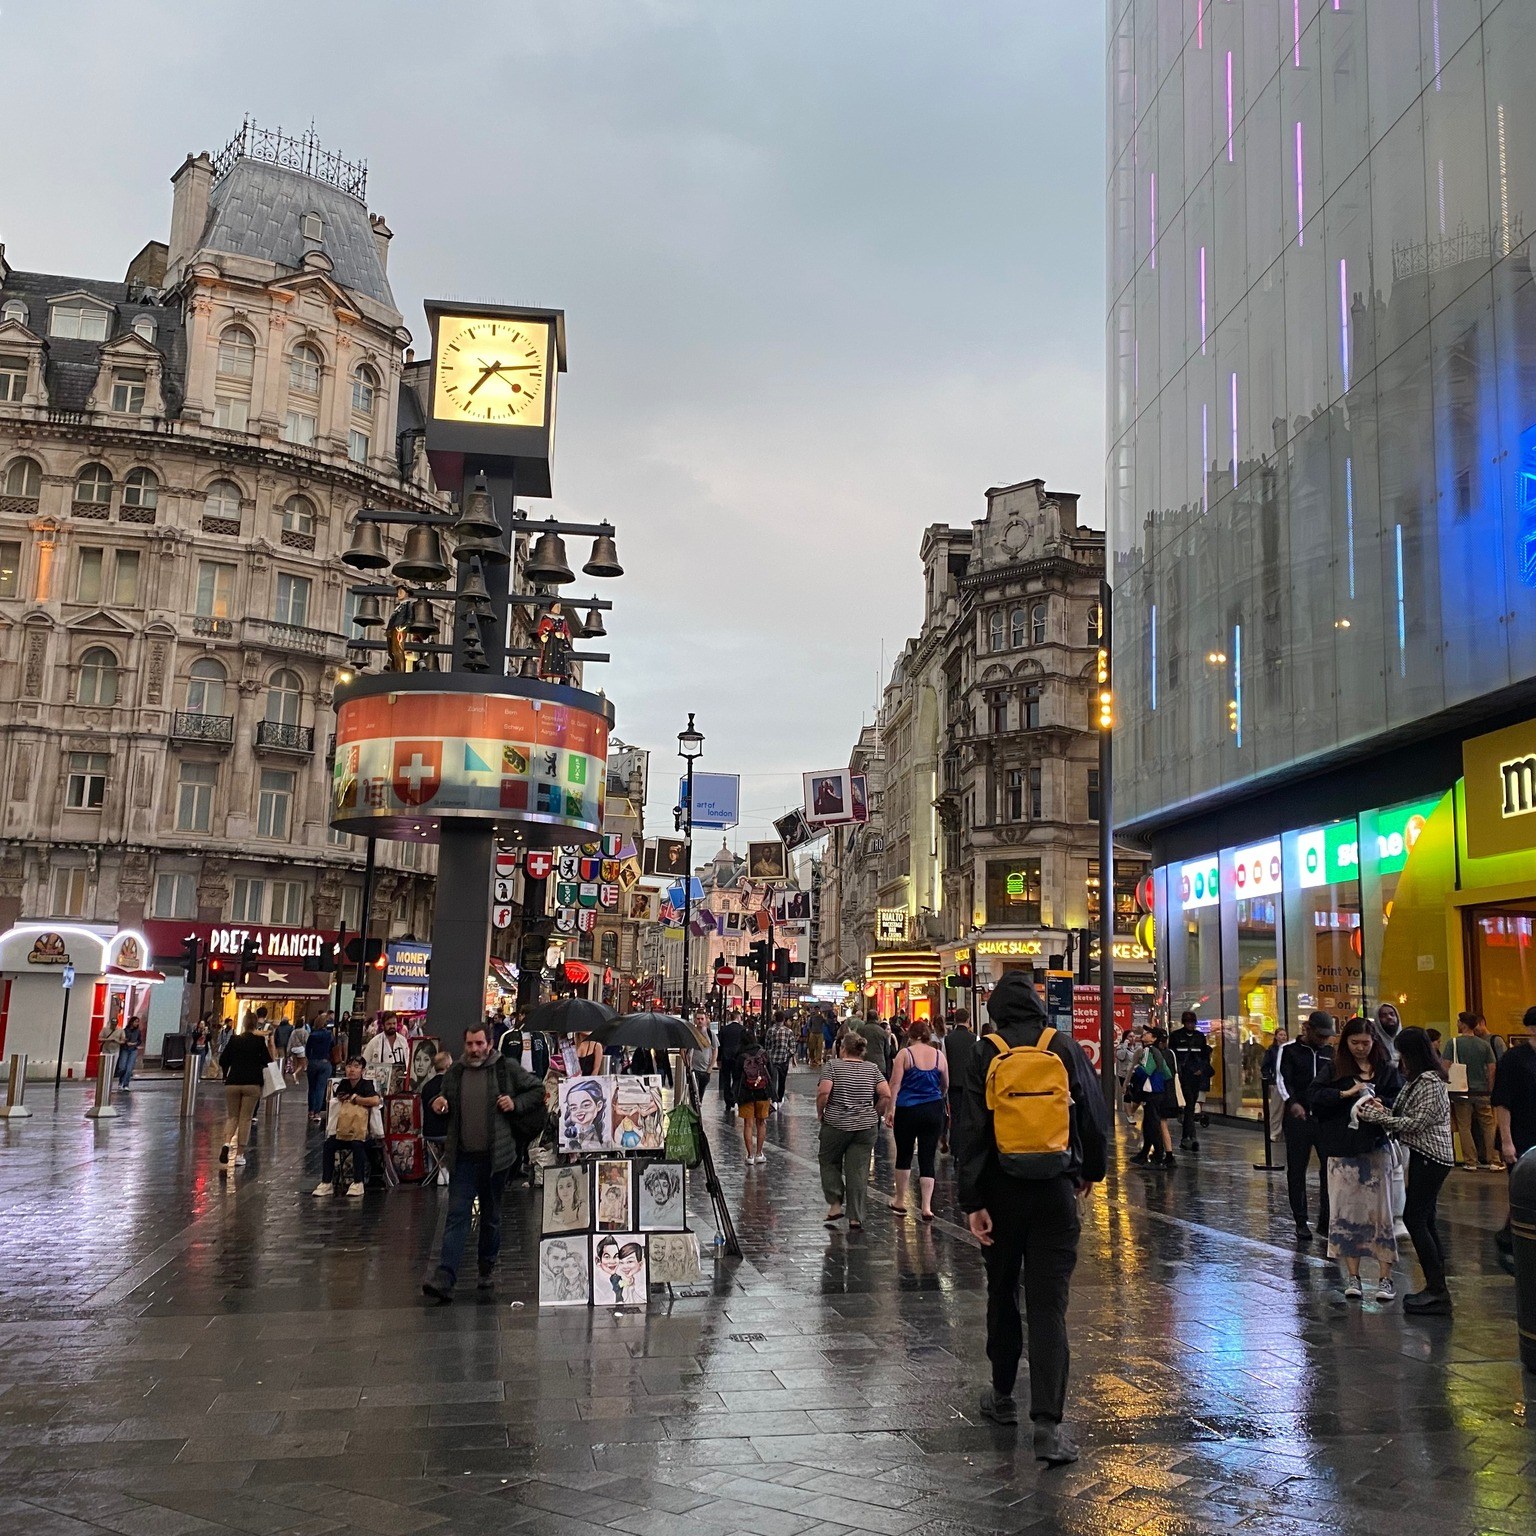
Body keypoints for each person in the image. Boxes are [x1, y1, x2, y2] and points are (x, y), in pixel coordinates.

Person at [954, 972, 1108, 1465]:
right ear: (1038, 1008)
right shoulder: (1061, 1046)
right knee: (1048, 1306)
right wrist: (1088, 1172)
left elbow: (972, 1130)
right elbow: (1093, 1112)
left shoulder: (986, 1051)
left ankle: (1002, 1398)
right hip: (1054, 1192)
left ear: (994, 1010)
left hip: (1000, 1193)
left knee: (1002, 1293)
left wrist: (973, 1200)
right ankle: (1048, 1426)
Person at [422, 1025, 545, 1302]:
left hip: (496, 1160)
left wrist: (515, 1103)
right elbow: (444, 1100)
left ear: (489, 1044)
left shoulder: (505, 1068)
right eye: (469, 1044)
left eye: (479, 1043)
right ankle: (445, 1276)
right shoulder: (455, 1072)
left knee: (490, 1218)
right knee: (456, 1216)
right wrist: (439, 1103)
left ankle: (486, 1266)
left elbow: (536, 1090)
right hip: (463, 1158)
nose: (474, 1049)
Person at [1357, 1027, 1454, 1313]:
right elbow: (1402, 1114)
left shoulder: (1429, 1081)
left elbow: (1416, 1122)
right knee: (1426, 1219)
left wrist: (1378, 1117)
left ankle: (1437, 1289)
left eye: (1403, 1053)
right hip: (1427, 1156)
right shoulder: (1419, 1080)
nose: (1400, 1060)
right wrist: (1383, 1111)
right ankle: (1437, 1285)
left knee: (1416, 1218)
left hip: (1431, 1157)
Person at [1309, 1016, 1403, 1301]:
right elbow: (1315, 1095)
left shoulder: (1385, 1070)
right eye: (1354, 1043)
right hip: (1342, 1148)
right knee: (1346, 1213)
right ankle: (1353, 1276)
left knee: (1381, 1213)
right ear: (1345, 1043)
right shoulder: (1335, 1068)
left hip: (1375, 1146)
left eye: (1365, 1042)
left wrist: (1381, 1103)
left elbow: (1397, 1097)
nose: (1361, 1048)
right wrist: (1345, 1093)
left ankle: (1386, 1278)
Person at [817, 1032, 892, 1230]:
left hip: (836, 1124)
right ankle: (855, 1217)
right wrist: (875, 1113)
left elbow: (824, 1092)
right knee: (858, 1170)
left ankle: (834, 1205)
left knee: (829, 1161)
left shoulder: (832, 1066)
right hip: (865, 1127)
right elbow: (886, 1094)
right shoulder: (872, 1068)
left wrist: (821, 1111)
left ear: (842, 1048)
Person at [1277, 1010, 1338, 1240]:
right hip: (1298, 1118)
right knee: (1297, 1169)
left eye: (1327, 1037)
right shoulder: (1289, 1050)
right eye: (1320, 1035)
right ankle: (1300, 1220)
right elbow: (1282, 1079)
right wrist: (1292, 1103)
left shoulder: (1330, 1053)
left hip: (1323, 1119)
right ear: (1307, 1029)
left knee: (1329, 1169)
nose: (1324, 1040)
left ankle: (1326, 1220)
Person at [887, 1019, 949, 1221]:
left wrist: (890, 1108)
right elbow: (945, 1084)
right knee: (927, 1156)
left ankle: (900, 1200)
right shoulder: (939, 1056)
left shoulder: (905, 1054)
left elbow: (895, 1083)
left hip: (907, 1110)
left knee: (904, 1154)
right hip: (933, 1110)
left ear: (910, 1036)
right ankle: (927, 1206)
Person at [1492, 1004, 1536, 1271]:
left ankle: (1512, 1235)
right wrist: (1507, 1141)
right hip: (1521, 1135)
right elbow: (1502, 1101)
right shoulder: (1514, 1059)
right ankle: (1511, 1237)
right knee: (1524, 1189)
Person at [311, 1057, 383, 1196]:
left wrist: (356, 1099)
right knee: (329, 1144)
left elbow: (375, 1100)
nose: (352, 1070)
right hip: (343, 1130)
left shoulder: (366, 1085)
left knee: (358, 1144)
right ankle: (326, 1182)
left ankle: (358, 1182)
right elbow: (339, 1096)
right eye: (349, 1066)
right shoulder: (343, 1083)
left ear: (362, 1070)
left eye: (356, 1066)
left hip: (363, 1133)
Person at [1445, 1012, 1499, 1170]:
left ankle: (1470, 1161)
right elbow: (1492, 1068)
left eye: (1458, 1022)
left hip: (1461, 1091)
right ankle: (1493, 1160)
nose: (1457, 1025)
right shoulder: (1484, 1044)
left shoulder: (1453, 1043)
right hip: (1482, 1090)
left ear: (1463, 1023)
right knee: (1488, 1125)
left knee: (1464, 1126)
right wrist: (1490, 1088)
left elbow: (1446, 1065)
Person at [217, 1016, 273, 1168]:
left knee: (232, 1116)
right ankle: (240, 1154)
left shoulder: (234, 1040)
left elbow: (223, 1060)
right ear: (255, 1025)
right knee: (246, 1119)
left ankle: (227, 1143)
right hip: (252, 1084)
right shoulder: (259, 1042)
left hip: (233, 1082)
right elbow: (269, 1061)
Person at [1128, 1025, 1179, 1169]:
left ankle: (1158, 1157)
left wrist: (1137, 1072)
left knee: (1153, 1125)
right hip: (1159, 1091)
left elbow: (1146, 1071)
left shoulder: (1149, 1051)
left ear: (1154, 1038)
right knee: (1151, 1124)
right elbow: (1167, 1073)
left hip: (1152, 1093)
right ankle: (1146, 1154)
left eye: (1148, 1033)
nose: (1144, 1035)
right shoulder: (1158, 1052)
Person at [1167, 1011, 1213, 1151]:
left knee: (1190, 1106)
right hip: (1183, 1076)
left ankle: (1188, 1136)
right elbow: (1172, 1055)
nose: (1190, 1025)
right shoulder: (1176, 1036)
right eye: (1188, 1022)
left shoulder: (1199, 1037)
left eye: (1192, 1022)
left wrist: (1201, 1069)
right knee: (1189, 1105)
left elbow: (1205, 1057)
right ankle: (1190, 1136)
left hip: (1196, 1076)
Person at [737, 1027, 772, 1163]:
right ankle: (759, 1153)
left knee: (748, 1124)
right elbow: (771, 1073)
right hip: (763, 1092)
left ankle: (750, 1155)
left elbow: (736, 1075)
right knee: (761, 1122)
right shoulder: (763, 1053)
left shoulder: (741, 1056)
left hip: (746, 1093)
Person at [362, 1014, 411, 1091]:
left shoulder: (403, 1041)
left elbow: (408, 1060)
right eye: (389, 1024)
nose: (392, 1026)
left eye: (394, 1023)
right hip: (380, 1083)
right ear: (382, 1026)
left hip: (400, 1083)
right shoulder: (375, 1042)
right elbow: (364, 1062)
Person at [305, 1013, 336, 1122]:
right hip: (325, 1062)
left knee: (312, 1087)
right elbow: (333, 1046)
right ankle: (317, 1112)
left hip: (313, 1062)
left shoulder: (312, 1035)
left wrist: (310, 1059)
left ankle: (311, 1111)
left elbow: (307, 1050)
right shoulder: (329, 1035)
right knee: (321, 1088)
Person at [765, 1011, 795, 1110]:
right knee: (782, 1080)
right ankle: (780, 1098)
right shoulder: (789, 1031)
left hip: (772, 1059)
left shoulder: (770, 1031)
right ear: (783, 1020)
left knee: (772, 1080)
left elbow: (767, 1046)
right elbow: (793, 1048)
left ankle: (773, 1099)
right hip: (784, 1059)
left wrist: (769, 1054)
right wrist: (788, 1055)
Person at [716, 1014, 745, 1111]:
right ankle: (734, 1095)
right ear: (738, 1018)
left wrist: (718, 1059)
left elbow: (719, 1045)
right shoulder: (742, 1029)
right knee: (737, 1078)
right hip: (738, 1058)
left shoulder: (724, 1029)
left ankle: (728, 1101)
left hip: (726, 1057)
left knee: (726, 1080)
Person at [855, 1014, 893, 1079]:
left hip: (863, 1064)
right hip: (879, 1065)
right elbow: (887, 1051)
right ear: (877, 1019)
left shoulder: (860, 1030)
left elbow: (856, 1047)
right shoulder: (882, 1031)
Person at [115, 1016, 143, 1089]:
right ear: (131, 1022)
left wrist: (135, 1044)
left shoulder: (138, 1031)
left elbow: (140, 1040)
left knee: (129, 1068)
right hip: (125, 1049)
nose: (137, 1023)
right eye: (135, 1022)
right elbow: (122, 1039)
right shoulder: (125, 1030)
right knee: (122, 1067)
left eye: (138, 1022)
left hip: (133, 1050)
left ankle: (126, 1084)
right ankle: (121, 1081)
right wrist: (126, 1042)